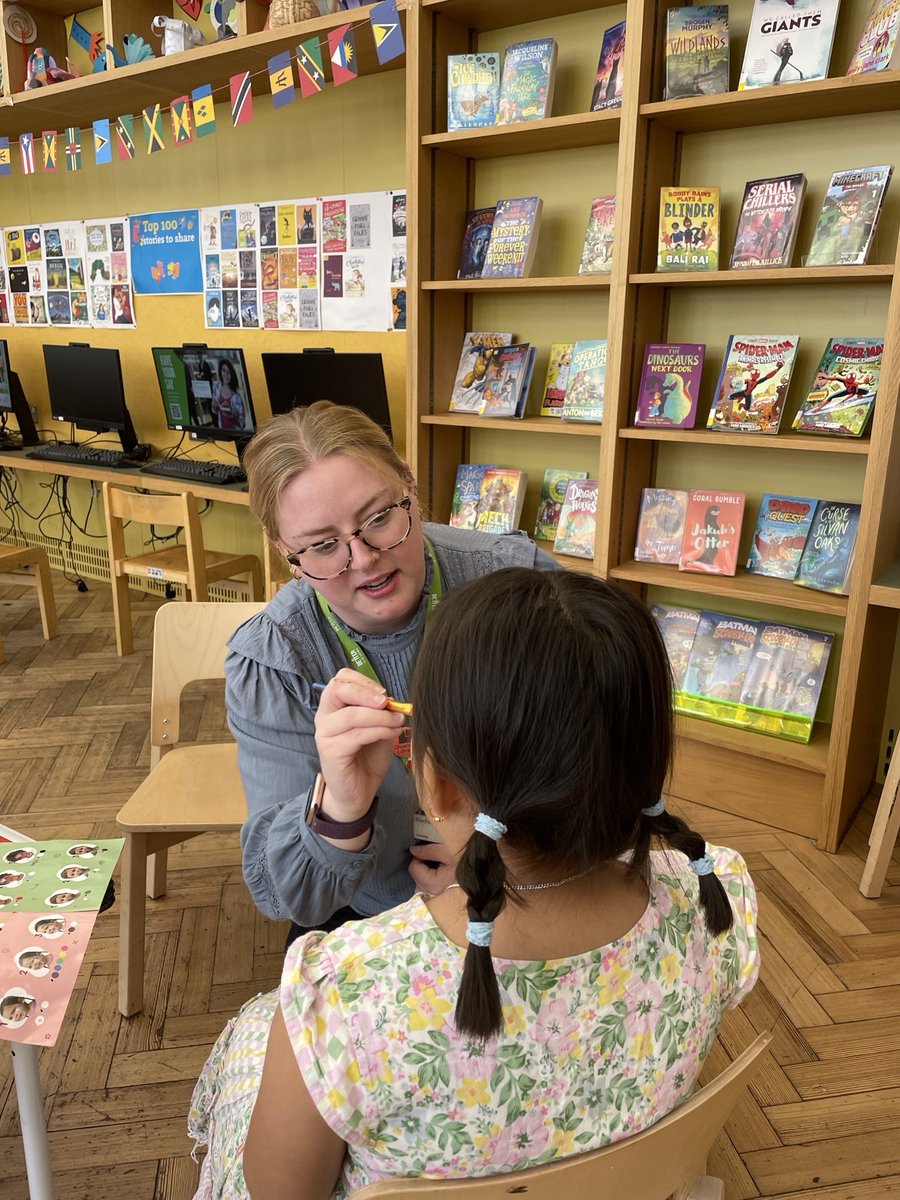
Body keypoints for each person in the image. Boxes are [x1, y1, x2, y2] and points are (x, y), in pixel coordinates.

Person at [191, 568, 759, 1197]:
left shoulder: (343, 999)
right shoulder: (716, 894)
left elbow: (278, 1194)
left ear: (437, 785)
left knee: (257, 1030)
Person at [226, 402, 558, 937]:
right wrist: (341, 805)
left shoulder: (518, 584)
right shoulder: (276, 658)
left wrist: (510, 866)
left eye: (380, 518)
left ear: (410, 487)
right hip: (366, 917)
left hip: (528, 894)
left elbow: (602, 767)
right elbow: (288, 895)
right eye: (322, 546)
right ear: (284, 550)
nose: (363, 559)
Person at [210, 359, 245, 431]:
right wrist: (214, 406)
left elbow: (242, 423)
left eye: (229, 372)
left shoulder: (237, 397)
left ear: (232, 375)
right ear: (220, 371)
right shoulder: (216, 387)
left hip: (235, 431)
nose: (226, 375)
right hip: (222, 430)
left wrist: (232, 414)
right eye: (223, 370)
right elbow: (215, 411)